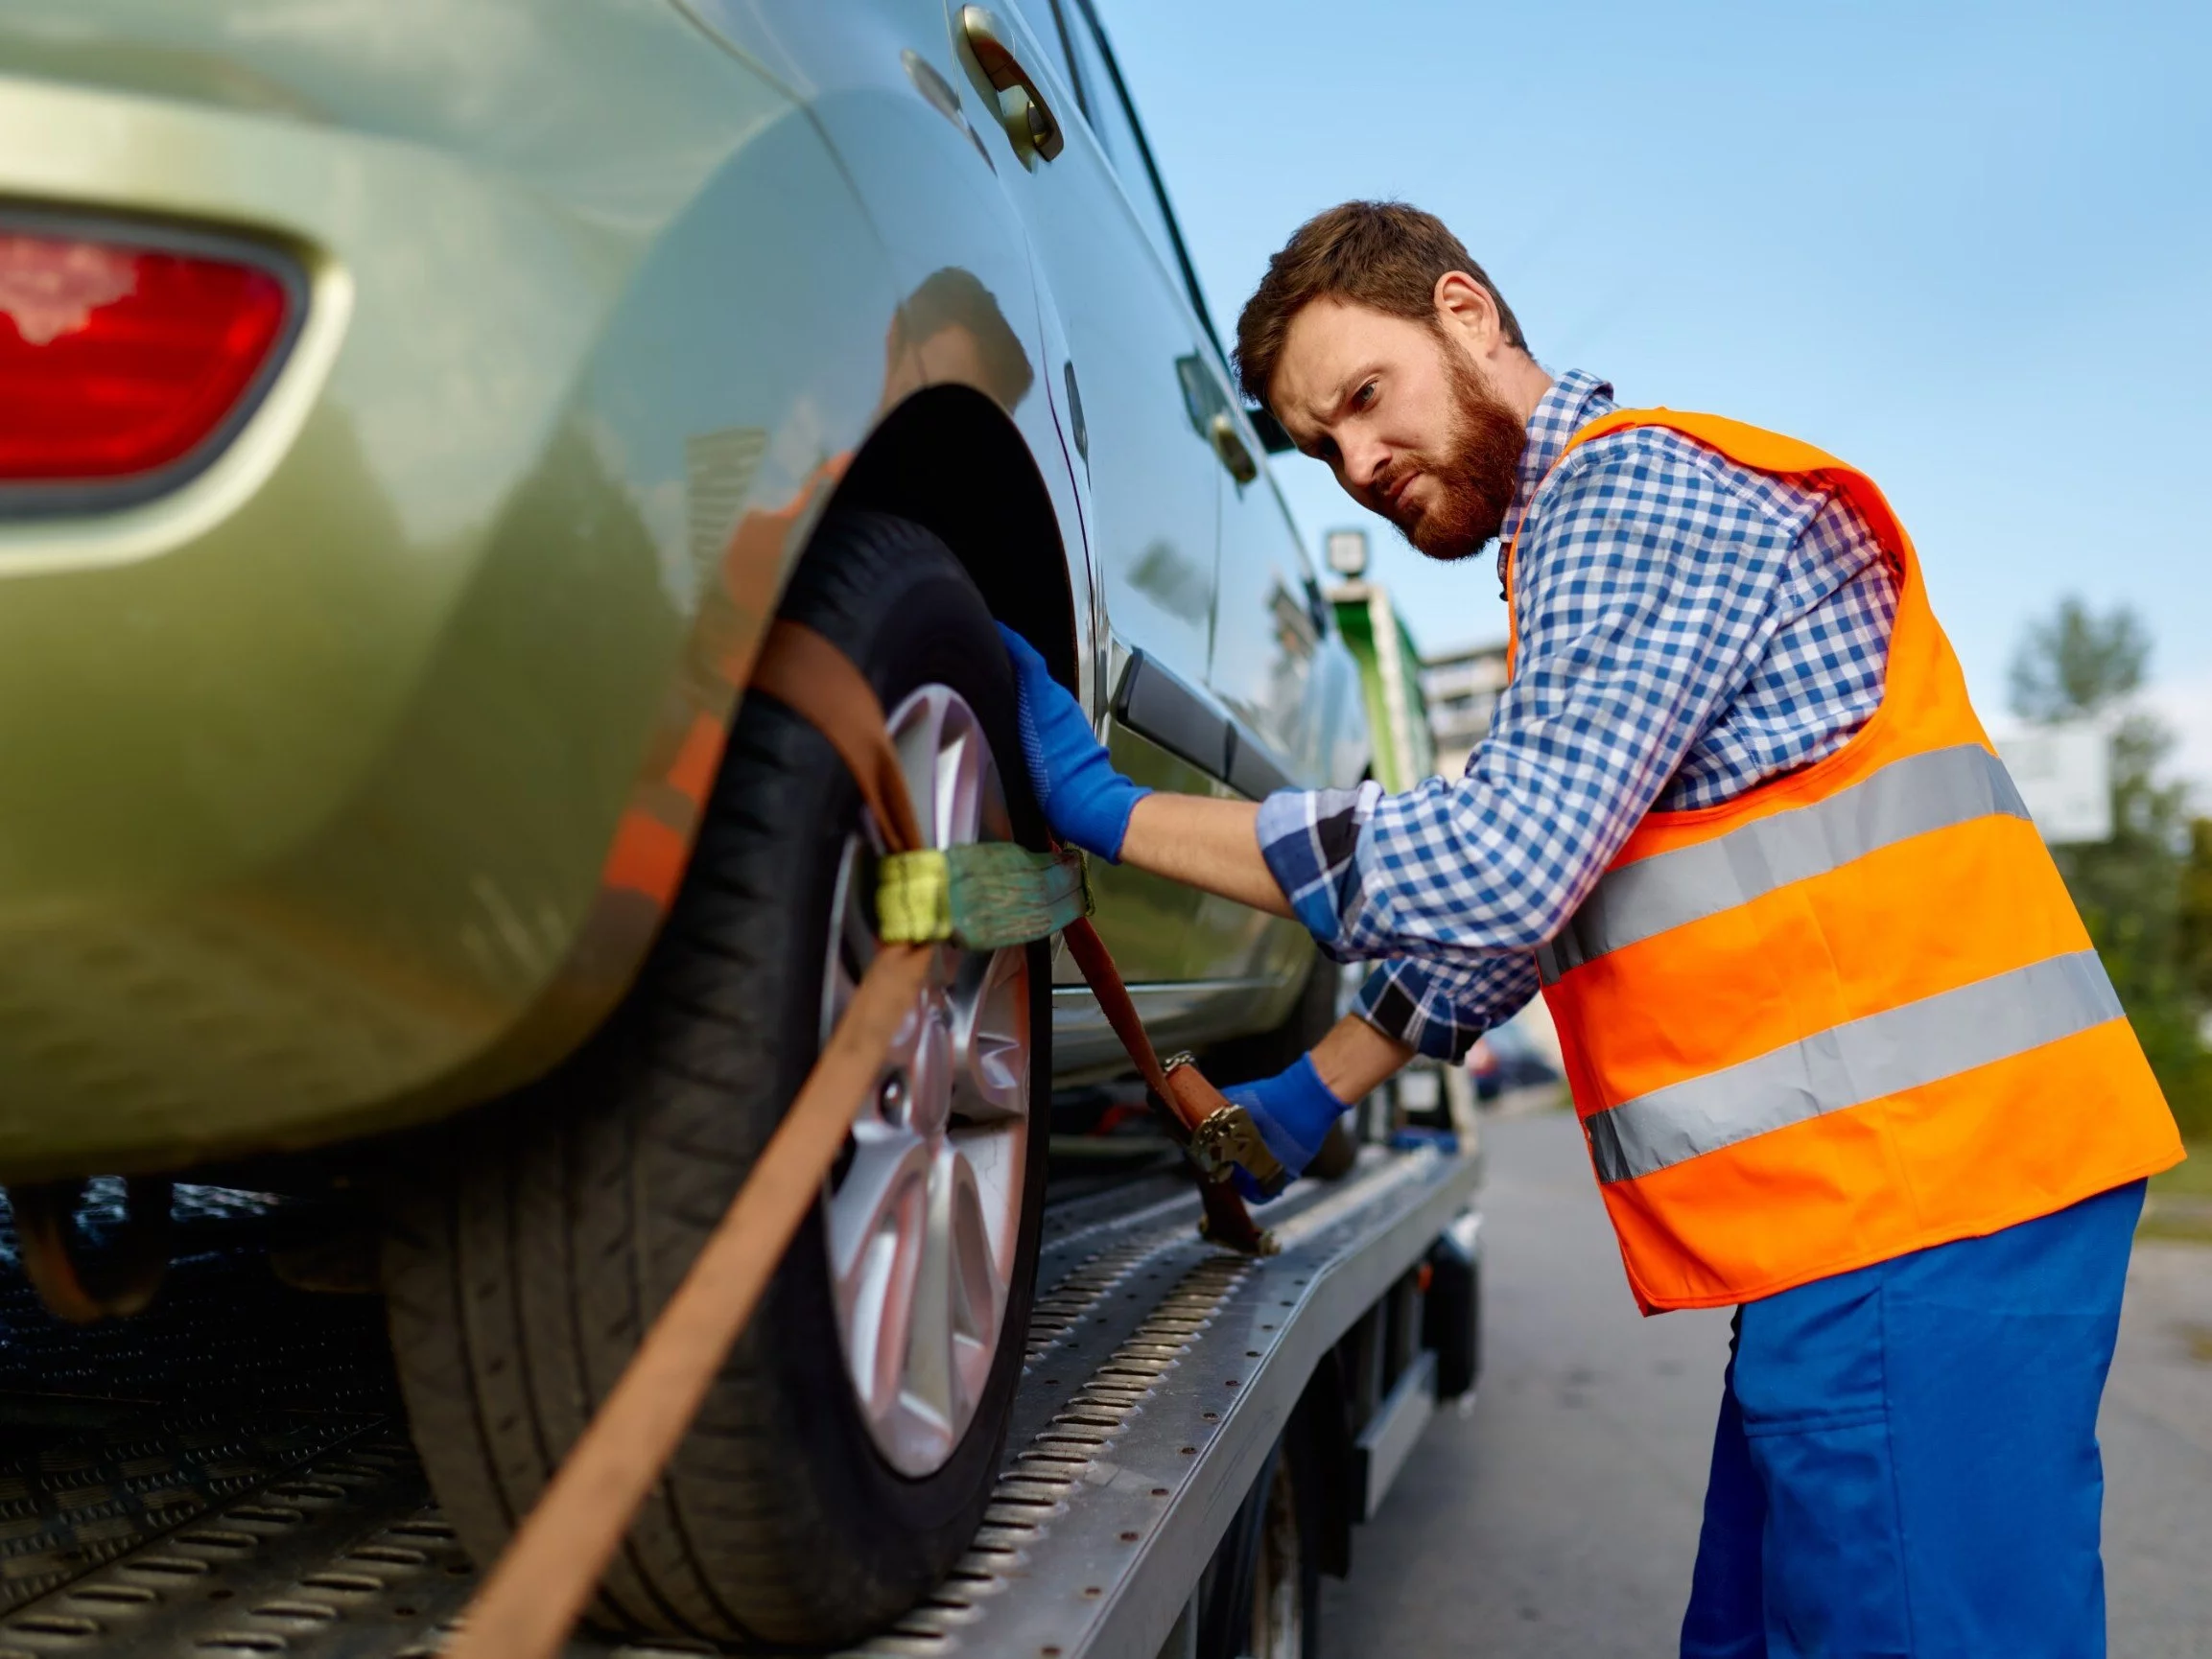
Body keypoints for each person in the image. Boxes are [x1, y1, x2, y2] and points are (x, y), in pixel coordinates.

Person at [997, 200, 2185, 1658]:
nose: (1356, 466)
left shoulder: (1626, 500)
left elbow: (1500, 864)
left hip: (1925, 1198)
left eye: (1363, 398)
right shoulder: (1574, 546)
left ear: (1466, 314)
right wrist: (1319, 1086)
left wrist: (1112, 815)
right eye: (1321, 449)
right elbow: (1544, 903)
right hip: (1889, 1206)